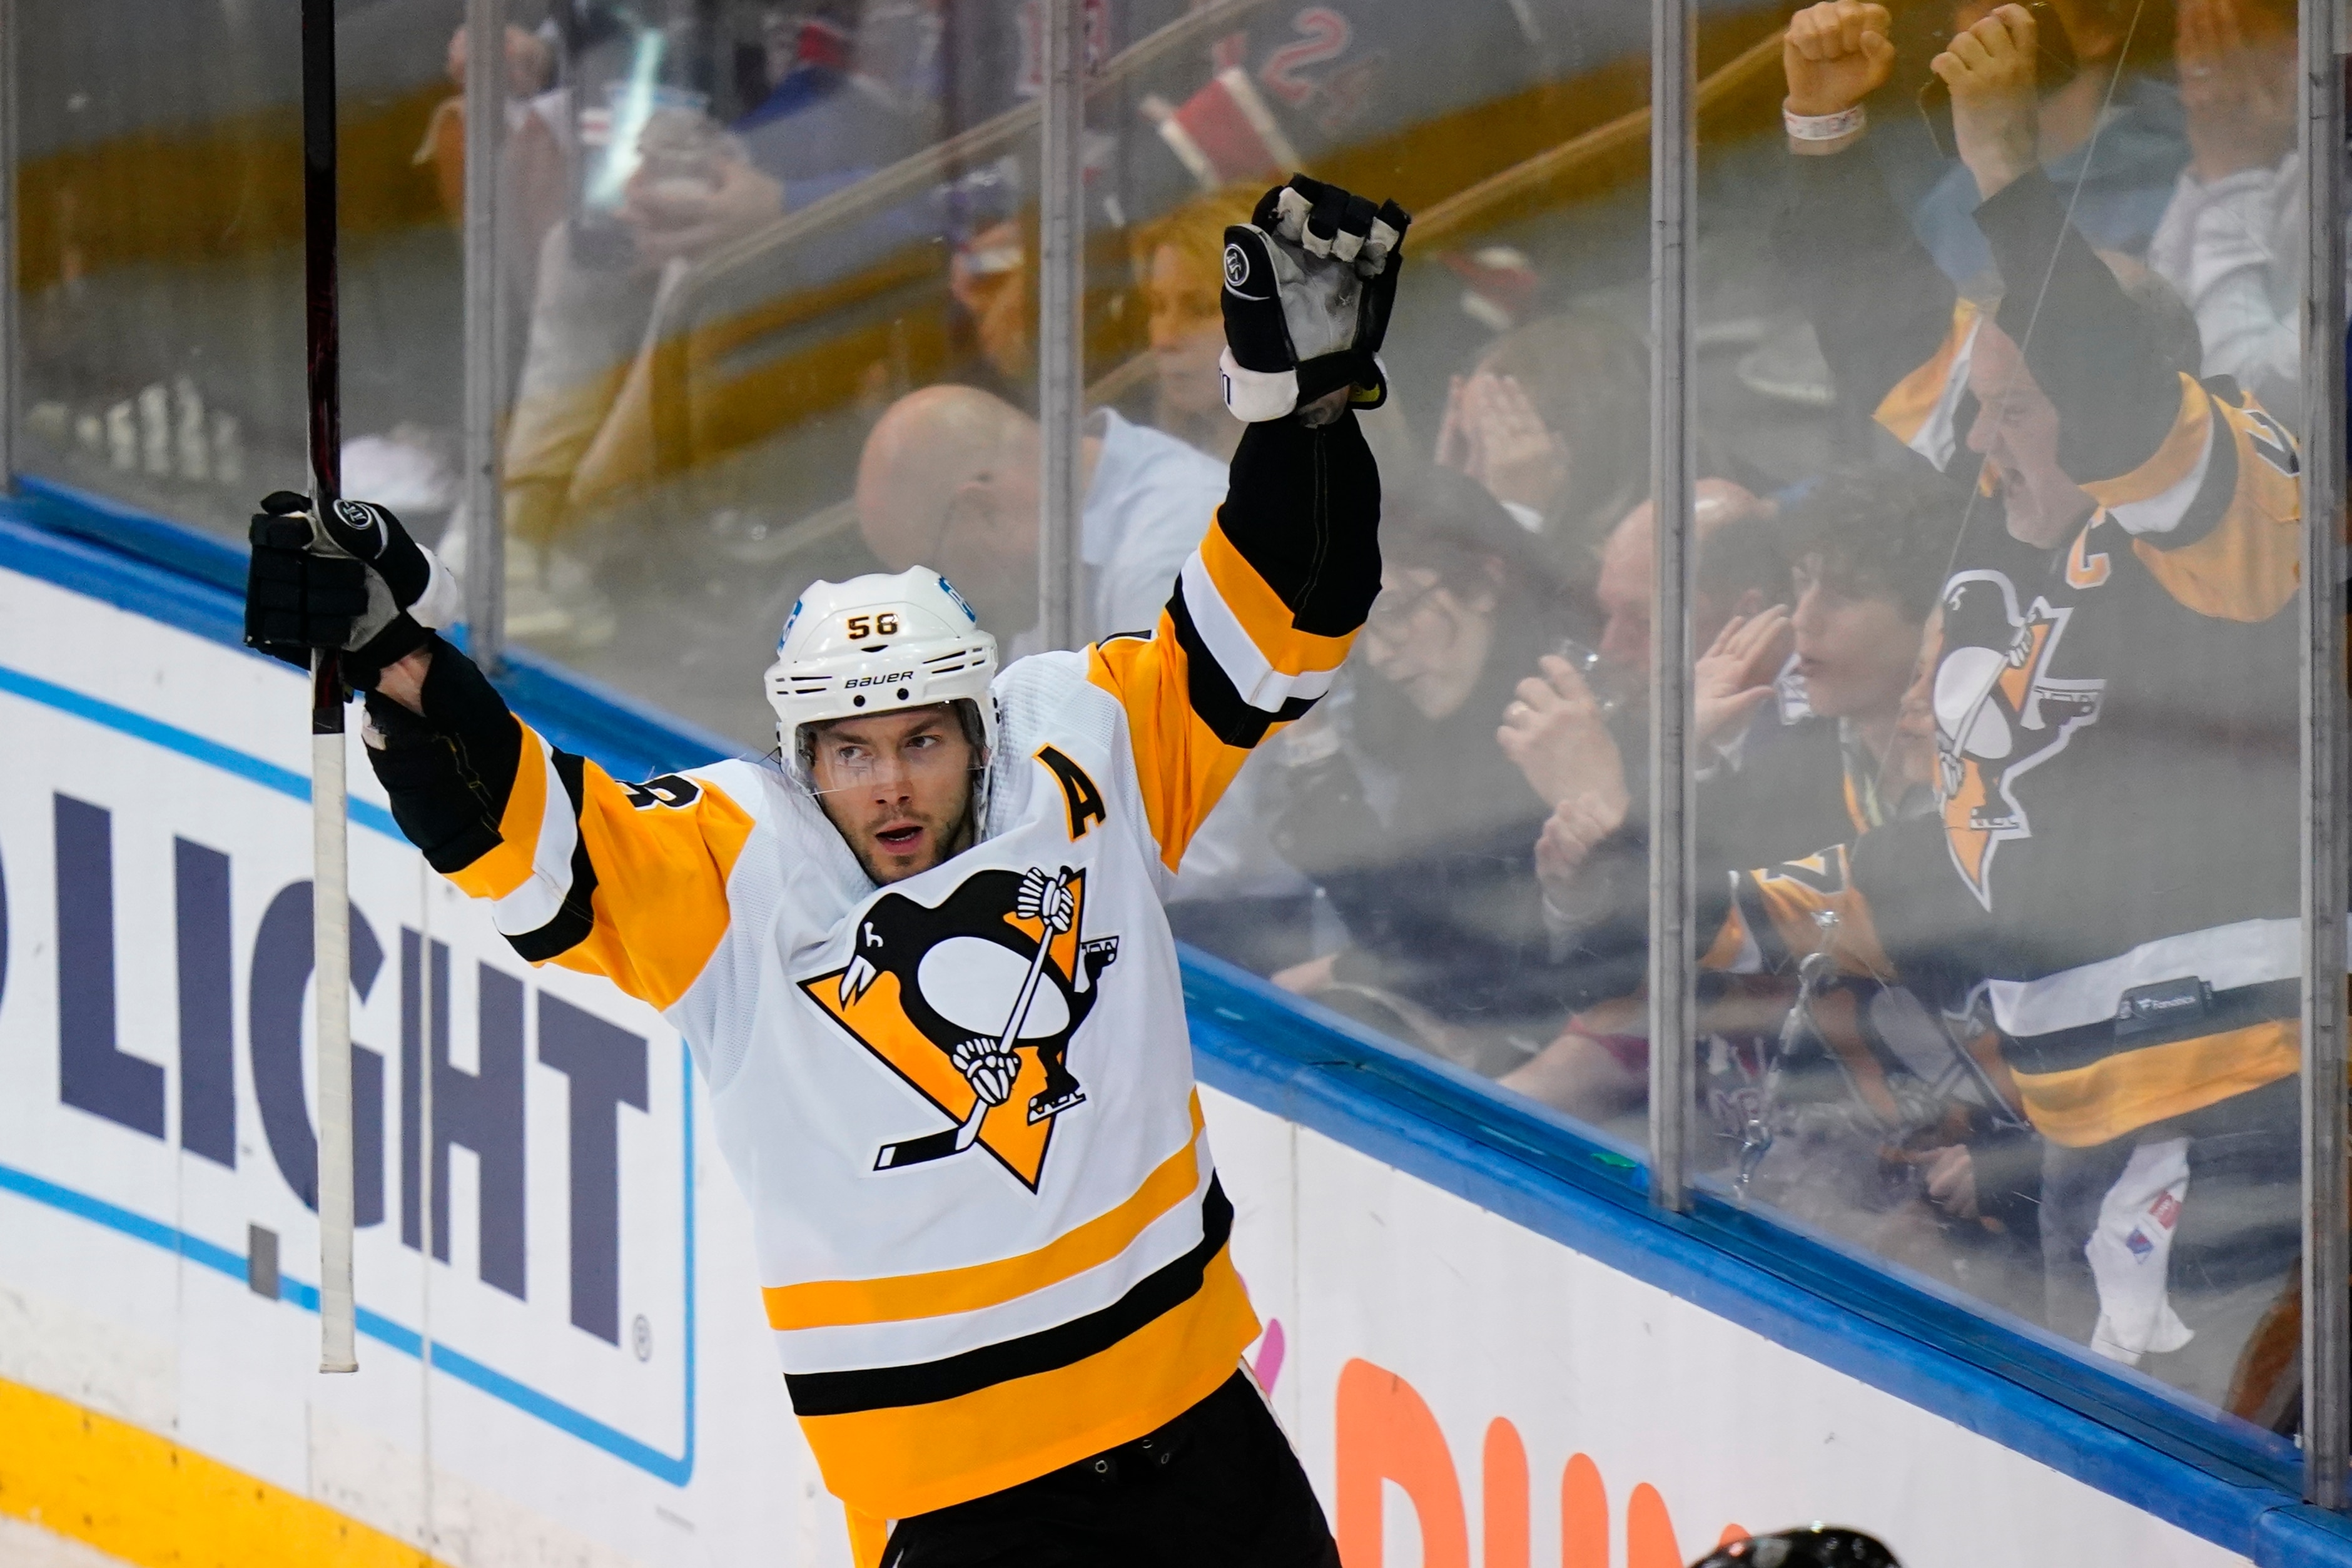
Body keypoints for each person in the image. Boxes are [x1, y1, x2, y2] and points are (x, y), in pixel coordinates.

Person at [240, 174, 1409, 1568]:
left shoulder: (1081, 748)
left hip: (1200, 1432)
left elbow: (1284, 611)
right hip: (969, 1504)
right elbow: (521, 834)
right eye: (851, 752)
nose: (893, 781)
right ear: (801, 757)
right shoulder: (735, 866)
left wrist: (1309, 406)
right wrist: (394, 655)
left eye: (922, 738)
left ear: (980, 725)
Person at [1696, 1, 2305, 1395]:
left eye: (2008, 413)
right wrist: (1826, 134)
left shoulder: (2228, 492)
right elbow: (1890, 341)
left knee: (2176, 1474)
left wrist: (2005, 174)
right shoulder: (2011, 487)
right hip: (2085, 1107)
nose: (1973, 442)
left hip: (2232, 1107)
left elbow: (2101, 387)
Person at [1260, 466, 1594, 1074]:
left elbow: (1447, 960)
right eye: (1361, 629)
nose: (1381, 653)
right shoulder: (1448, 719)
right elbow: (1413, 926)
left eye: (1396, 612)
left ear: (1487, 581)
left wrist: (1314, 753)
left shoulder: (1555, 722)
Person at [2145, 0, 2306, 427]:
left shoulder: (2324, 184)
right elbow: (2158, 339)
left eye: (2224, 43)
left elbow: (2246, 403)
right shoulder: (2233, 152)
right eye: (2188, 41)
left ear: (2300, 53)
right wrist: (2220, 171)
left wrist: (2235, 178)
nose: (2198, 75)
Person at [1434, 310, 1654, 597]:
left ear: (1566, 451)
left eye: (1491, 448)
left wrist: (1518, 516)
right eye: (1463, 444)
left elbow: (1513, 629)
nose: (1468, 471)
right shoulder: (1471, 507)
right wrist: (1442, 504)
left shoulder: (1627, 576)